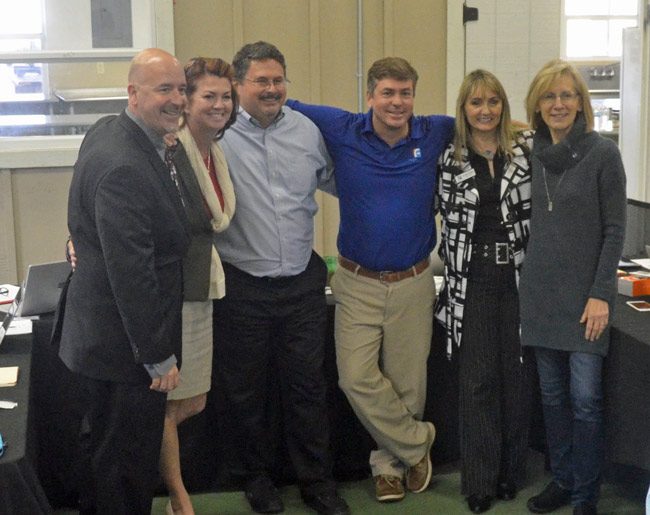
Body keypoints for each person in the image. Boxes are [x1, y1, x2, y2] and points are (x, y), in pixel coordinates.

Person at [286, 57, 454, 503]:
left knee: (407, 384)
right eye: (387, 93)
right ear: (370, 95)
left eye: (405, 93)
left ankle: (389, 466)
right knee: (355, 377)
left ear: (413, 97)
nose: (396, 102)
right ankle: (419, 445)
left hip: (414, 281)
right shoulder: (342, 128)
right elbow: (282, 100)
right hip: (356, 281)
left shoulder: (434, 131)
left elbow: (487, 121)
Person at [212, 41, 349, 515]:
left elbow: (339, 182)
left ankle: (317, 481)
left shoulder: (308, 132)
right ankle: (258, 479)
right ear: (237, 85)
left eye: (278, 80)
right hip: (242, 286)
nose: (271, 90)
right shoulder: (217, 136)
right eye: (260, 81)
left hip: (301, 283)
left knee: (308, 387)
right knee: (247, 389)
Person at [59, 48, 190, 514]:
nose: (177, 99)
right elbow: (132, 274)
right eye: (164, 90)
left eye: (181, 88)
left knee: (109, 464)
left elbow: (85, 222)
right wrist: (157, 356)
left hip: (103, 343)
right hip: (125, 352)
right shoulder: (126, 167)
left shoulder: (108, 131)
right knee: (123, 472)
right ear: (132, 94)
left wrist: (81, 243)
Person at [521, 59, 626, 515]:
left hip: (588, 303)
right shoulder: (532, 154)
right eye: (549, 96)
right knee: (553, 400)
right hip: (541, 297)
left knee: (585, 403)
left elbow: (615, 231)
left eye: (567, 95)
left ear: (581, 102)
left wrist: (601, 293)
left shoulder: (603, 154)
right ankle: (562, 480)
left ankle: (585, 494)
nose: (558, 104)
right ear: (538, 106)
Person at [436, 69, 533, 513]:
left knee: (514, 379)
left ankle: (510, 473)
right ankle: (479, 480)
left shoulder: (526, 152)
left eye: (493, 102)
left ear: (503, 106)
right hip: (471, 283)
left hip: (517, 282)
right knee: (477, 382)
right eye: (476, 103)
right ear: (464, 109)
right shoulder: (448, 158)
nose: (485, 111)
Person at [160, 57, 237, 515]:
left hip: (202, 286)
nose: (220, 104)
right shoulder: (171, 152)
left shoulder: (214, 150)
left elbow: (216, 221)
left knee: (194, 400)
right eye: (208, 95)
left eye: (226, 96)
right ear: (185, 101)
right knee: (171, 405)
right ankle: (178, 499)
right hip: (176, 292)